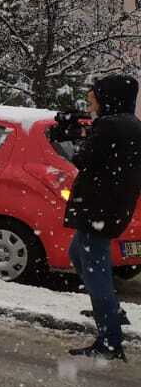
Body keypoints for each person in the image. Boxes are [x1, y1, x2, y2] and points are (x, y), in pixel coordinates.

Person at [58, 74, 141, 361]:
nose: (90, 96)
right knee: (79, 256)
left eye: (94, 92)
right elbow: (105, 157)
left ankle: (109, 340)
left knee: (95, 270)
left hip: (98, 209)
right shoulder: (129, 124)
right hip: (110, 208)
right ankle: (112, 312)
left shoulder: (110, 125)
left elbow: (83, 159)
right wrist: (81, 132)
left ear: (108, 96)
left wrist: (67, 138)